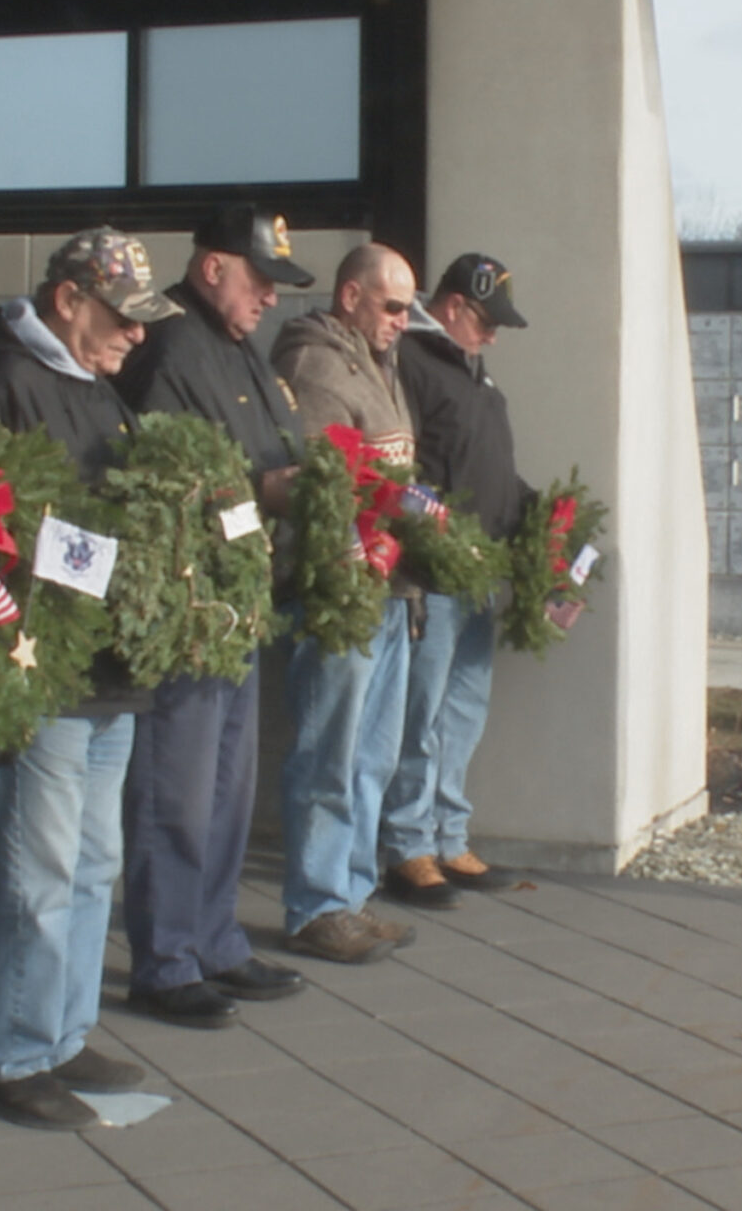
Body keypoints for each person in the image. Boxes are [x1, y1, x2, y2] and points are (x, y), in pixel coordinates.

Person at [0, 229, 175, 1128]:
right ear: (69, 298)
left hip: (109, 671)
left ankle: (63, 1035)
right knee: (38, 869)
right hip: (46, 669)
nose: (135, 336)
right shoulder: (8, 381)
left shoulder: (98, 387)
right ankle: (10, 1055)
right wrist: (116, 566)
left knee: (92, 863)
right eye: (121, 317)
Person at [107, 204, 312, 1029]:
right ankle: (165, 960)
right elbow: (159, 475)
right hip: (189, 602)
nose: (270, 296)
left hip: (238, 599)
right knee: (177, 792)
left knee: (228, 789)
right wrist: (263, 492)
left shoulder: (236, 346)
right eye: (260, 278)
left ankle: (215, 941)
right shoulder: (170, 346)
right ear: (212, 266)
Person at [270, 242, 423, 963]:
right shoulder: (317, 362)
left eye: (407, 308)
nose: (401, 320)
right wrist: (351, 568)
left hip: (388, 588)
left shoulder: (377, 362)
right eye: (391, 305)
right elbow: (322, 487)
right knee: (330, 753)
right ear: (351, 295)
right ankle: (317, 904)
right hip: (340, 591)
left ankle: (352, 894)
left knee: (372, 756)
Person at [382, 254, 534, 906]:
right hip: (435, 573)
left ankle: (448, 834)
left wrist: (539, 516)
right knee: (422, 713)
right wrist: (433, 532)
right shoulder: (413, 364)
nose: (494, 335)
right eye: (486, 321)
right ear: (451, 308)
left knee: (463, 710)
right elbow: (399, 466)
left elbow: (488, 466)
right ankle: (407, 846)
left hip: (481, 573)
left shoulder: (475, 371)